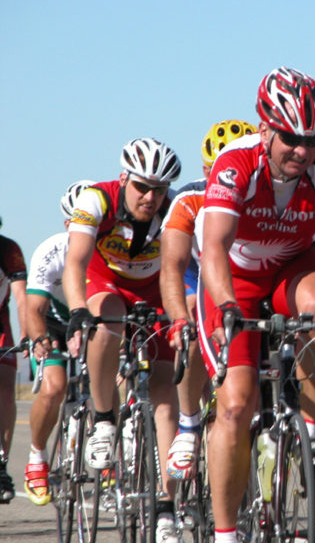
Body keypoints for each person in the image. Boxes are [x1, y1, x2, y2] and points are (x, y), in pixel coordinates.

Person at [198, 67, 315, 543]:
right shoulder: (234, 164)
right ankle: (224, 534)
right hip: (235, 277)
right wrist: (225, 305)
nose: (303, 152)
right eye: (290, 138)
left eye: (313, 139)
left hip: (290, 265)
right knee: (235, 407)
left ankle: (311, 432)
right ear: (264, 127)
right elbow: (215, 247)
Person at [63, 138, 185, 543]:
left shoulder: (173, 209)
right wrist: (79, 308)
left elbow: (190, 263)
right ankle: (102, 420)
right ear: (123, 179)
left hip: (154, 293)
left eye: (160, 189)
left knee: (167, 395)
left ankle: (167, 508)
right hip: (105, 283)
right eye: (142, 187)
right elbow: (75, 261)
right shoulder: (97, 200)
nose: (151, 197)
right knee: (107, 319)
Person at [161, 119, 256, 481]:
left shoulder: (260, 191)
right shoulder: (190, 199)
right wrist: (178, 318)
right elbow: (173, 264)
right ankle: (188, 425)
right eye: (219, 170)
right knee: (190, 323)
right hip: (198, 274)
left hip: (246, 278)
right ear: (205, 170)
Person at [24, 180, 95, 505]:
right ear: (67, 224)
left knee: (110, 377)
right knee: (54, 386)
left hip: (91, 320)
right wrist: (39, 339)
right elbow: (33, 307)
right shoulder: (51, 251)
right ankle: (37, 459)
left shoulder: (110, 248)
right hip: (53, 324)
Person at [0, 219, 27, 503]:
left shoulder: (8, 250)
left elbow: (21, 298)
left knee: (6, 389)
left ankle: (2, 465)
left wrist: (28, 333)